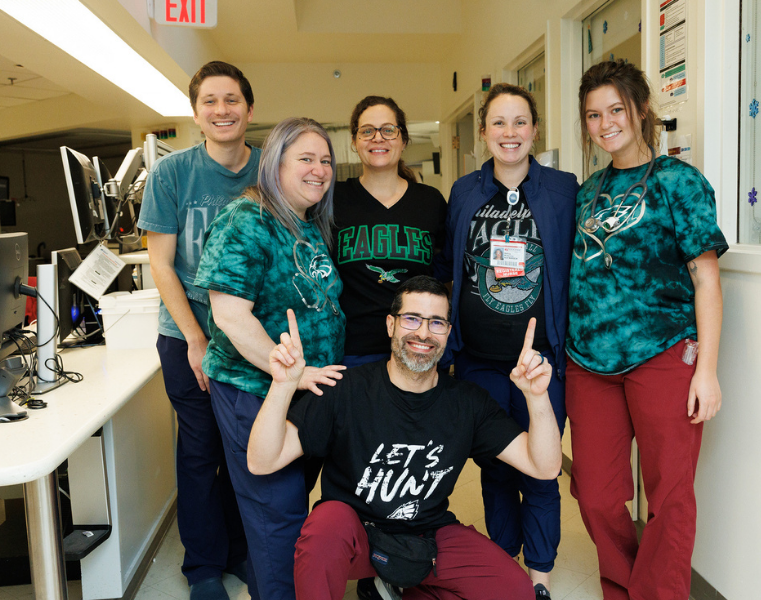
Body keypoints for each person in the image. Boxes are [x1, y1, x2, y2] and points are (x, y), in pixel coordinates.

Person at [245, 275, 562, 600]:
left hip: (428, 533)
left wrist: (537, 398)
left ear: (448, 333)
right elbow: (262, 460)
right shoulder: (345, 390)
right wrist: (282, 385)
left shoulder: (468, 402)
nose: (423, 333)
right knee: (324, 526)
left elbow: (544, 467)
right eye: (412, 319)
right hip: (355, 533)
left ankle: (398, 586)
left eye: (436, 323)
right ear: (390, 325)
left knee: (515, 591)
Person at [566, 60, 729, 600]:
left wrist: (706, 369)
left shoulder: (679, 182)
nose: (605, 123)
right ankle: (623, 587)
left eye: (616, 110)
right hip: (589, 363)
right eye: (594, 114)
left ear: (640, 110)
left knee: (670, 495)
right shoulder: (587, 192)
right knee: (595, 494)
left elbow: (706, 278)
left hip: (663, 354)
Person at [193, 117, 346, 600]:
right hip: (255, 392)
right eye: (305, 158)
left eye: (325, 160)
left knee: (285, 512)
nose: (319, 169)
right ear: (274, 163)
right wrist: (295, 375)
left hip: (301, 390)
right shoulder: (247, 219)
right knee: (276, 520)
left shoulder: (302, 221)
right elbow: (231, 316)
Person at [434, 83, 577, 598]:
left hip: (540, 364)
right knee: (494, 466)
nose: (510, 133)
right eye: (499, 122)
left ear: (535, 129)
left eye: (520, 122)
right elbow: (451, 268)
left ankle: (538, 577)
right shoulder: (464, 192)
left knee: (541, 471)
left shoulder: (563, 189)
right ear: (483, 132)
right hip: (478, 362)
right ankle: (504, 563)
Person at [137, 60, 259, 600]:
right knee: (200, 450)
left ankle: (242, 550)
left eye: (231, 99)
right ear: (195, 113)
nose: (221, 110)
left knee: (250, 451)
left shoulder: (269, 171)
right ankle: (204, 567)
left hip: (251, 338)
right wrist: (196, 339)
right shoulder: (172, 174)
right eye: (210, 101)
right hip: (187, 335)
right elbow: (161, 264)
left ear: (249, 109)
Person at [332, 96, 446, 368]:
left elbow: (445, 277)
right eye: (367, 131)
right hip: (353, 349)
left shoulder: (430, 202)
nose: (377, 138)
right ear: (355, 141)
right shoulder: (334, 199)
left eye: (388, 130)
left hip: (419, 345)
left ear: (403, 139)